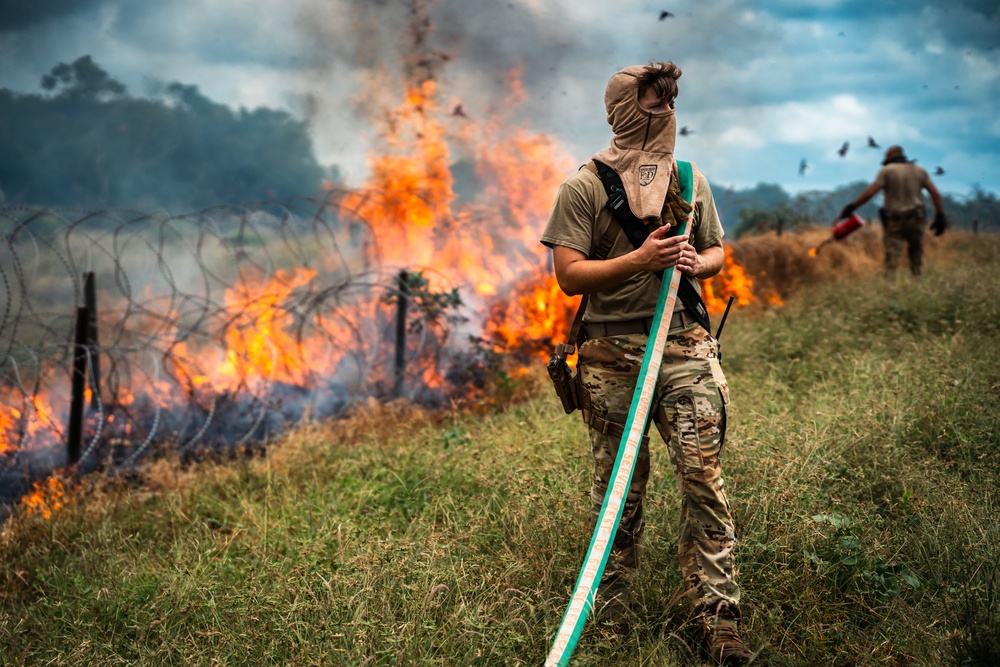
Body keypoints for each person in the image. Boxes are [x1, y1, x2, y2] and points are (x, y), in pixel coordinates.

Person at [540, 62, 750, 665]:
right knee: (619, 497)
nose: (667, 115)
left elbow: (715, 249)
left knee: (703, 478)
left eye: (671, 103)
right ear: (626, 109)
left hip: (684, 346)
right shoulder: (582, 186)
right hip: (610, 356)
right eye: (655, 105)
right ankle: (608, 621)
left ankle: (721, 622)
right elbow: (568, 276)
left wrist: (695, 263)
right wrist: (639, 260)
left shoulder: (688, 178)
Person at [839, 145, 947, 276]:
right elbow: (936, 194)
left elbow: (870, 194)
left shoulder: (886, 171)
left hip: (895, 220)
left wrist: (852, 206)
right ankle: (917, 281)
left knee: (892, 257)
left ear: (889, 158)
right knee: (916, 253)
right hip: (916, 219)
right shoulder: (920, 171)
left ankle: (890, 285)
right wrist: (940, 215)